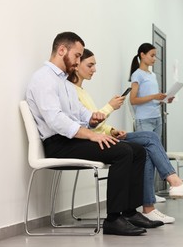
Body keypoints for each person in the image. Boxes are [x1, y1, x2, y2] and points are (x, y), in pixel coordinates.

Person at [25, 32, 164, 236]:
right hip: (58, 144)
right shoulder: (43, 79)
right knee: (123, 152)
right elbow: (55, 120)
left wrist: (92, 118)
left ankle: (129, 212)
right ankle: (114, 219)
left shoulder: (64, 82)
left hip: (71, 139)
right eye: (78, 56)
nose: (78, 61)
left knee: (138, 151)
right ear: (62, 50)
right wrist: (91, 135)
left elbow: (79, 113)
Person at [69, 48, 183, 224]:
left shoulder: (83, 91)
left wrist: (112, 130)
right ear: (76, 66)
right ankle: (173, 184)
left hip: (106, 135)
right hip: (91, 141)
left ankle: (152, 204)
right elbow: (87, 124)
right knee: (149, 140)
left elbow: (94, 122)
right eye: (90, 65)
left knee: (148, 145)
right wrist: (110, 107)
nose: (94, 69)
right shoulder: (71, 91)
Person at [128, 43, 174, 139]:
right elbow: (133, 100)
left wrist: (164, 100)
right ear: (142, 55)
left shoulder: (152, 75)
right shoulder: (137, 75)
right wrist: (154, 96)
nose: (154, 59)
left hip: (157, 118)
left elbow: (153, 99)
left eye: (155, 56)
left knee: (155, 149)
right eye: (152, 55)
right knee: (146, 150)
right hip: (144, 120)